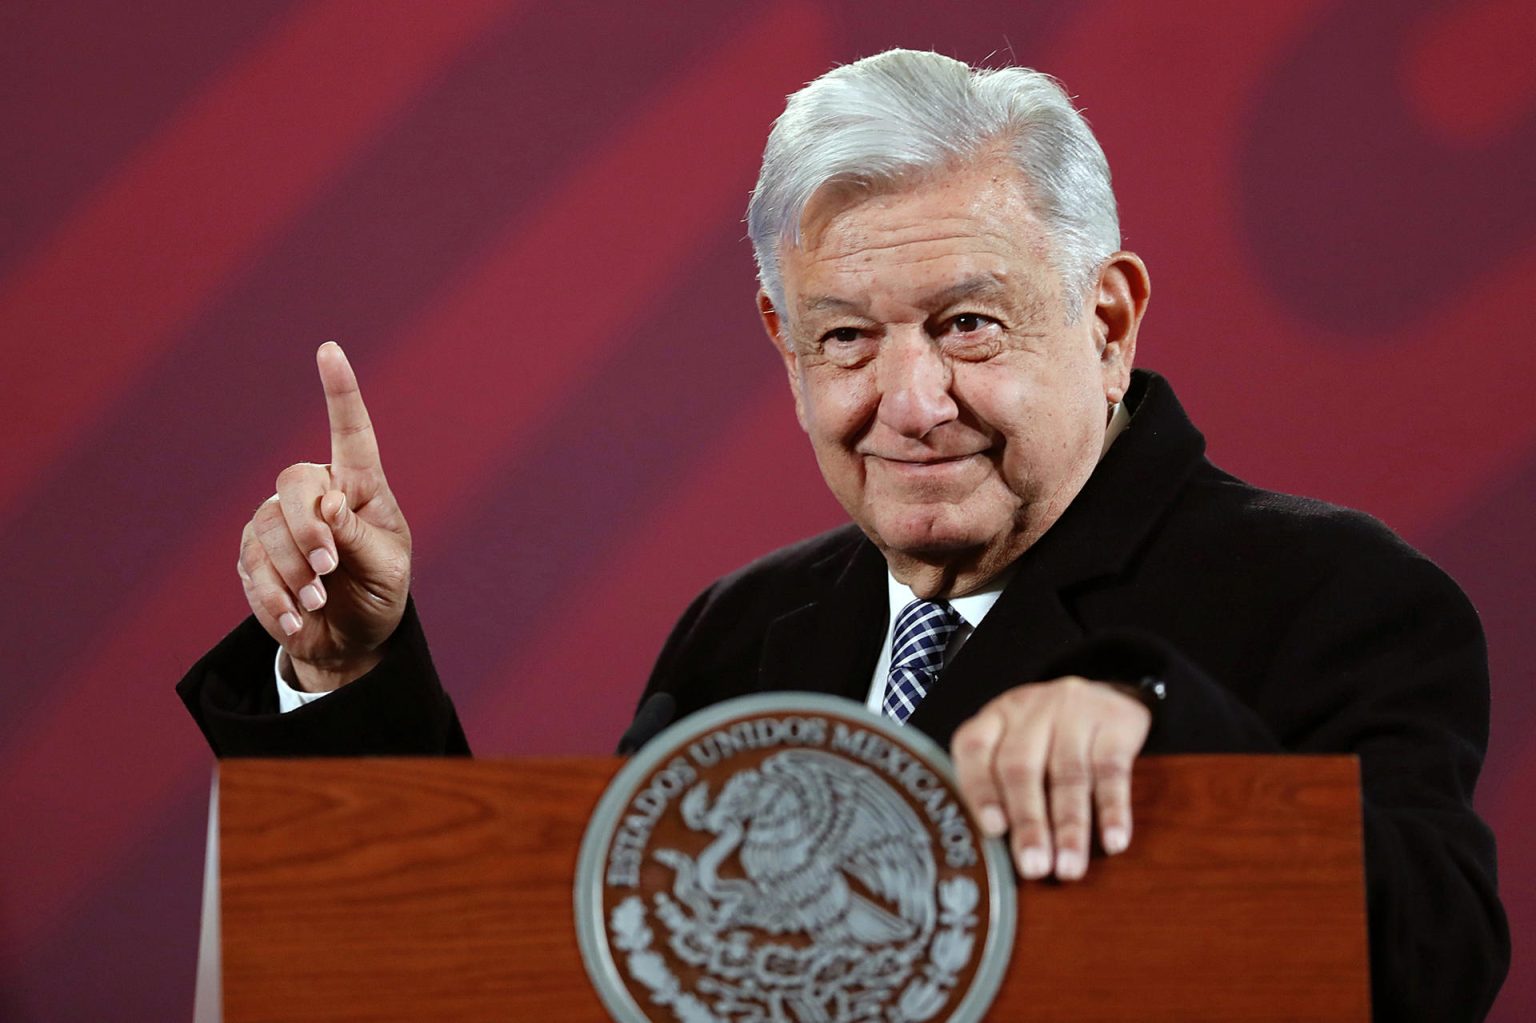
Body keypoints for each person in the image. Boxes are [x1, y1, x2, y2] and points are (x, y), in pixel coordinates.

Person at [178, 50, 1508, 1019]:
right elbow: (558, 961)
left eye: (969, 326)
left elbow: (1435, 963)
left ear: (1106, 322)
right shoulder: (745, 630)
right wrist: (350, 675)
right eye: (848, 339)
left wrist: (1164, 732)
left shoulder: (1337, 594)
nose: (909, 403)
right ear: (783, 342)